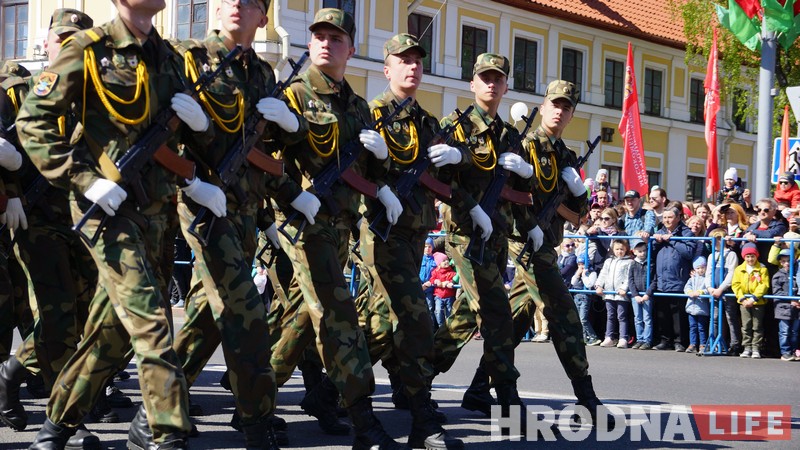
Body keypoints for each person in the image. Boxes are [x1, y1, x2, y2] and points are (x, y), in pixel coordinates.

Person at [18, 0, 220, 446]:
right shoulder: (89, 48)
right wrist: (84, 180)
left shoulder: (168, 58)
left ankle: (55, 426)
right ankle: (166, 433)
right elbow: (33, 121)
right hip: (106, 212)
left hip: (157, 214)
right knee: (151, 322)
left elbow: (190, 139)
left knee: (111, 332)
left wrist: (201, 125)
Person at [165, 1, 309, 447]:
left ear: (262, 17)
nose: (236, 6)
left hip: (244, 208)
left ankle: (163, 403)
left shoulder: (263, 75)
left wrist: (291, 123)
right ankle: (254, 419)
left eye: (249, 2)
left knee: (210, 314)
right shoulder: (187, 57)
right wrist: (189, 182)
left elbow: (268, 151)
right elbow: (159, 133)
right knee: (246, 311)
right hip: (202, 200)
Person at [269, 8, 405, 448]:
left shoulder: (358, 105)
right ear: (310, 44)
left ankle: (253, 401)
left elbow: (362, 169)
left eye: (336, 37)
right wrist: (293, 194)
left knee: (301, 320)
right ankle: (365, 423)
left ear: (351, 47)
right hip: (305, 223)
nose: (326, 42)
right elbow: (260, 159)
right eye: (319, 36)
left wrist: (382, 164)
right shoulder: (293, 95)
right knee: (338, 315)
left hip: (341, 225)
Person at [0, 8, 122, 434]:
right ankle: (66, 418)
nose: (69, 45)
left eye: (78, 39)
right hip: (37, 220)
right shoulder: (22, 92)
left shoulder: (97, 97)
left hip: (84, 220)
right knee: (57, 317)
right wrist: (11, 195)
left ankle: (11, 375)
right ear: (47, 44)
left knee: (93, 315)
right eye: (62, 38)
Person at [355, 32, 465, 449]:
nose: (413, 66)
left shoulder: (428, 122)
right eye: (403, 60)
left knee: (383, 323)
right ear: (387, 69)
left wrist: (460, 157)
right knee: (417, 318)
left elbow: (446, 177)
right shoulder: (370, 114)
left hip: (415, 231)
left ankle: (337, 389)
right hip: (381, 233)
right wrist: (377, 178)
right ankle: (421, 418)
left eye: (418, 60)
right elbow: (351, 169)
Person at [501, 79, 608, 425]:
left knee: (515, 319)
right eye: (555, 104)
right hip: (526, 241)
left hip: (547, 240)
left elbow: (579, 213)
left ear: (572, 113)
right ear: (543, 107)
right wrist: (529, 223)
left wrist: (579, 190)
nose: (559, 111)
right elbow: (507, 192)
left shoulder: (566, 155)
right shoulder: (525, 145)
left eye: (566, 107)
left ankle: (479, 384)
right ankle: (586, 395)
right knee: (563, 314)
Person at [429, 53, 526, 421]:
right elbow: (438, 179)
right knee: (497, 313)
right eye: (484, 77)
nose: (491, 83)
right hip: (466, 234)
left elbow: (518, 188)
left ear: (505, 85)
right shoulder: (455, 126)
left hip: (497, 235)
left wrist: (527, 172)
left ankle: (417, 378)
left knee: (467, 315)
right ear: (472, 84)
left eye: (497, 78)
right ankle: (507, 394)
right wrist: (472, 207)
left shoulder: (509, 135)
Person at [651, 205, 697, 352]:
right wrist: (654, 241)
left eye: (670, 217)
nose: (667, 220)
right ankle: (665, 340)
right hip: (661, 280)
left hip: (678, 279)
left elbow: (689, 252)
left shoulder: (686, 233)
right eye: (664, 217)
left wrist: (672, 240)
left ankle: (680, 341)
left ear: (678, 218)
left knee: (678, 313)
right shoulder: (660, 231)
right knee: (662, 312)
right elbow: (650, 252)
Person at [705, 228, 742, 355]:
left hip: (726, 291)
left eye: (718, 239)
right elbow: (708, 274)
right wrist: (710, 288)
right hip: (713, 290)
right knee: (714, 317)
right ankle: (713, 343)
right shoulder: (711, 256)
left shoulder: (731, 255)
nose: (715, 242)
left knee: (731, 317)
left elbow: (731, 273)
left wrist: (721, 288)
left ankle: (735, 344)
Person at [732, 243, 770, 359]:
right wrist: (742, 298)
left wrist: (753, 298)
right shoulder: (739, 269)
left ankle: (756, 348)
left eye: (752, 256)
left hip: (757, 302)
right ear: (744, 257)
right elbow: (735, 285)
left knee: (757, 326)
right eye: (747, 256)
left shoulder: (762, 269)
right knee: (746, 325)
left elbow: (764, 285)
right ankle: (747, 347)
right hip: (744, 302)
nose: (750, 259)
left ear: (756, 256)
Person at [595, 239, 633, 348]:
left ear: (626, 249)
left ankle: (623, 338)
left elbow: (628, 278)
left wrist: (624, 288)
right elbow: (603, 274)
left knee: (622, 316)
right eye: (617, 249)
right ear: (613, 249)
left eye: (622, 249)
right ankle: (609, 337)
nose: (619, 251)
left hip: (621, 294)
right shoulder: (609, 261)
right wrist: (599, 285)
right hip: (609, 293)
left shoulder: (629, 262)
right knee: (610, 316)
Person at [770, 249, 800, 361]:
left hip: (796, 308)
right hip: (783, 308)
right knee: (785, 331)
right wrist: (790, 299)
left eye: (789, 260)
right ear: (781, 263)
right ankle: (785, 352)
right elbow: (777, 292)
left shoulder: (797, 274)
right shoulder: (778, 275)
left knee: (795, 332)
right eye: (784, 261)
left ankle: (793, 351)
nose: (787, 263)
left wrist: (797, 300)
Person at [743, 198, 787, 273]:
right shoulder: (752, 227)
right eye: (759, 210)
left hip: (772, 267)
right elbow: (742, 246)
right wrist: (747, 238)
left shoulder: (779, 225)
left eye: (766, 210)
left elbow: (770, 234)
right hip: (754, 266)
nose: (762, 212)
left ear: (774, 211)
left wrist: (754, 233)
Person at [628, 240, 655, 350]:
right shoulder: (633, 263)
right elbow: (630, 280)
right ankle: (639, 339)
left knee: (647, 318)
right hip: (636, 296)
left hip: (646, 295)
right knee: (638, 318)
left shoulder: (651, 263)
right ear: (634, 252)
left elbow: (654, 280)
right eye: (639, 251)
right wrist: (635, 295)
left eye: (644, 251)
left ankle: (647, 340)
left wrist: (648, 294)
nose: (642, 253)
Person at [571, 254, 601, 346]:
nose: (581, 266)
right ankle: (583, 337)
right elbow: (573, 282)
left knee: (583, 319)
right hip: (577, 296)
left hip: (585, 297)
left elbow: (589, 285)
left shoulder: (592, 273)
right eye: (579, 264)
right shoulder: (578, 272)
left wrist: (584, 276)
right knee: (578, 319)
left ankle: (593, 337)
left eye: (583, 264)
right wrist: (577, 274)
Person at [684, 256, 710, 354]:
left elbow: (708, 289)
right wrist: (690, 292)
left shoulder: (707, 279)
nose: (700, 270)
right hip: (691, 307)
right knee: (692, 327)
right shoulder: (692, 279)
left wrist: (700, 292)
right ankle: (693, 344)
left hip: (702, 308)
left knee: (701, 327)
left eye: (703, 267)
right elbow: (686, 287)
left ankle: (703, 344)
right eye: (698, 268)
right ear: (694, 269)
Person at [430, 252, 457, 329]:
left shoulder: (451, 272)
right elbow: (432, 279)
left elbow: (454, 279)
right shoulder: (435, 272)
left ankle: (449, 327)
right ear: (439, 264)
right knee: (438, 311)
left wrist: (451, 282)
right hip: (439, 296)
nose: (446, 262)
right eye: (443, 261)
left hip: (449, 296)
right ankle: (441, 327)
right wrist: (436, 281)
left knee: (450, 312)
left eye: (447, 260)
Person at [420, 237, 438, 328]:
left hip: (429, 289)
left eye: (429, 246)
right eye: (425, 246)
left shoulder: (435, 260)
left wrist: (429, 284)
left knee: (430, 309)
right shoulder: (419, 259)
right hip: (419, 288)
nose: (427, 248)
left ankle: (431, 329)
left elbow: (436, 274)